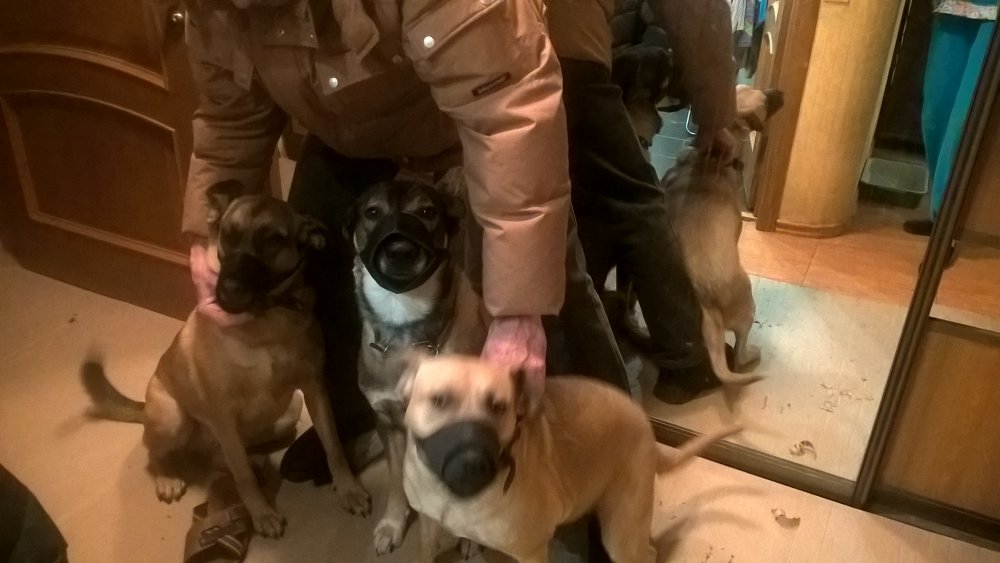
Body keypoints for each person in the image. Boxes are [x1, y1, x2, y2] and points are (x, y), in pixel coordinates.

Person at [179, 0, 734, 559]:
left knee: (547, 288)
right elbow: (228, 111)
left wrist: (520, 311)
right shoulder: (215, 8)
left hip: (476, 109)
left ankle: (610, 478)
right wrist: (207, 225)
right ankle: (354, 420)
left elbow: (509, 115)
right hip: (350, 124)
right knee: (320, 258)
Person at [905, 0, 997, 236]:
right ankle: (942, 212)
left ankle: (948, 221)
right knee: (936, 113)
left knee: (965, 118)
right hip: (951, 7)